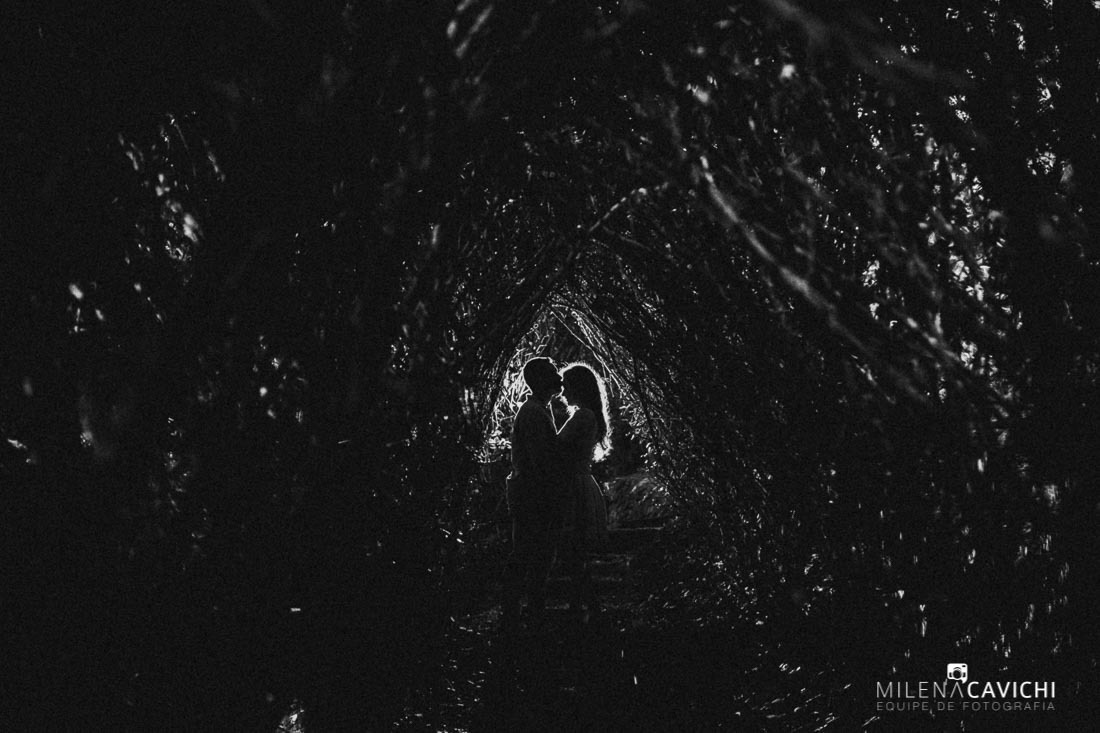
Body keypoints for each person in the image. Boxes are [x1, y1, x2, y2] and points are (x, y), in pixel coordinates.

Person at [500, 357, 566, 632]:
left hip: (531, 493)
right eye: (552, 373)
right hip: (533, 495)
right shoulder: (534, 413)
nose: (559, 377)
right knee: (532, 555)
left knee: (531, 554)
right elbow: (542, 461)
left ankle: (520, 614)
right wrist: (553, 496)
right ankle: (521, 616)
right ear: (539, 380)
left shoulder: (539, 409)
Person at [555, 363, 611, 621]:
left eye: (566, 386)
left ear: (578, 388)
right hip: (578, 483)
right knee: (574, 552)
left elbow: (556, 447)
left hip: (575, 487)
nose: (562, 392)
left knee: (573, 551)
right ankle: (583, 606)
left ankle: (585, 607)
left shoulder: (583, 417)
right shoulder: (587, 415)